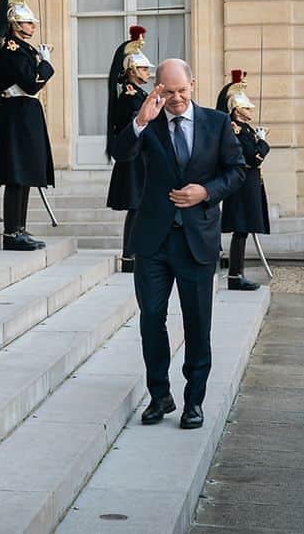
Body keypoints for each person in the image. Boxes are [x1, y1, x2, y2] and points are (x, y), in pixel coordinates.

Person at [111, 58, 245, 430]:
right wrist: (140, 121)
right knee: (152, 318)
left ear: (193, 85)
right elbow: (121, 154)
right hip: (153, 240)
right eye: (168, 92)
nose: (176, 99)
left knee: (197, 322)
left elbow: (236, 171)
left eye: (181, 91)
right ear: (158, 89)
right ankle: (160, 395)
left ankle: (194, 401)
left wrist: (206, 191)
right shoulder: (149, 123)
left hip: (197, 240)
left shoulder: (216, 123)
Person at [0, 0, 55, 251]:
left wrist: (40, 62)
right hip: (17, 114)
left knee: (25, 175)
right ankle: (11, 232)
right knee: (16, 175)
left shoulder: (26, 50)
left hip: (27, 113)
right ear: (14, 24)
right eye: (27, 23)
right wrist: (46, 66)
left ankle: (20, 228)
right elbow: (31, 83)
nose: (32, 26)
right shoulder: (11, 50)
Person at [105, 25, 154, 272]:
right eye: (144, 68)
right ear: (132, 70)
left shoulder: (138, 93)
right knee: (135, 208)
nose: (147, 72)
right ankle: (129, 257)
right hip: (133, 158)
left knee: (141, 208)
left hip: (141, 157)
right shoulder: (128, 95)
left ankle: (135, 254)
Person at [216, 69, 270, 291]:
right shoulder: (235, 129)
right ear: (236, 109)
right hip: (241, 185)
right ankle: (235, 276)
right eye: (246, 107)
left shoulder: (245, 128)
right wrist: (263, 143)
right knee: (241, 229)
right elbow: (253, 157)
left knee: (244, 230)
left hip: (249, 184)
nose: (250, 110)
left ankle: (237, 274)